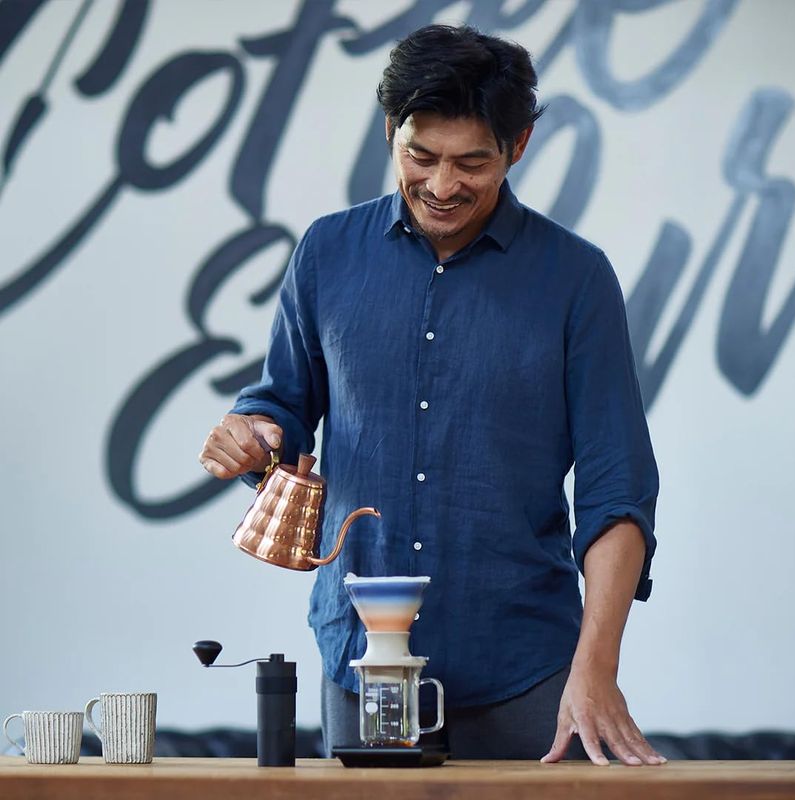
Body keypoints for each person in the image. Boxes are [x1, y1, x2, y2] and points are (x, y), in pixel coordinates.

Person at [199, 24, 664, 766]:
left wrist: (596, 667)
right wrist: (253, 434)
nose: (443, 187)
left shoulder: (577, 279)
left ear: (518, 146)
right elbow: (281, 409)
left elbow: (617, 490)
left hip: (529, 676)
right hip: (362, 662)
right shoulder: (325, 253)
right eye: (421, 156)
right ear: (391, 131)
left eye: (472, 162)